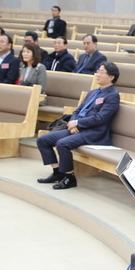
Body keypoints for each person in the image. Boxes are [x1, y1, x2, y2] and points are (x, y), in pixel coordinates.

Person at [37, 62, 121, 190]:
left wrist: (78, 123)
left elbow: (101, 118)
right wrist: (73, 124)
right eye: (97, 71)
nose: (97, 74)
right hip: (78, 129)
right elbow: (78, 111)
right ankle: (57, 172)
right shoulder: (93, 92)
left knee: (62, 144)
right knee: (43, 140)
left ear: (111, 77)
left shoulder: (113, 95)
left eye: (101, 72)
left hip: (94, 133)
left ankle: (69, 177)